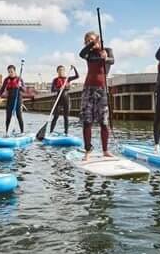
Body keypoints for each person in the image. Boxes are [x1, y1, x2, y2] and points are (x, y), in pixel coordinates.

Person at [79, 31, 114, 161]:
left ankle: (105, 150)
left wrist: (106, 58)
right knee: (87, 121)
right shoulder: (88, 53)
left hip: (102, 89)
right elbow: (81, 54)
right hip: (88, 89)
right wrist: (92, 44)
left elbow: (113, 60)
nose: (89, 42)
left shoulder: (107, 50)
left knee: (104, 122)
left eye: (91, 40)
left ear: (99, 40)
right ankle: (88, 150)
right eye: (87, 41)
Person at [49, 65, 79, 135]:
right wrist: (59, 89)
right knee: (55, 116)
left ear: (64, 71)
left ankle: (66, 133)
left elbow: (77, 76)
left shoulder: (67, 79)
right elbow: (52, 90)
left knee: (66, 117)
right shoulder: (55, 80)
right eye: (59, 70)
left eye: (62, 70)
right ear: (57, 72)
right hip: (58, 99)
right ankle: (51, 132)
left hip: (66, 98)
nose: (61, 71)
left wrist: (74, 68)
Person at [0, 65, 26, 134]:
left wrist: (20, 86)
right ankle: (8, 132)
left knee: (19, 116)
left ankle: (22, 132)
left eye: (11, 71)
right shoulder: (6, 79)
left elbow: (24, 90)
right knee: (8, 117)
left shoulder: (19, 79)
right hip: (10, 100)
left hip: (18, 99)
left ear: (15, 71)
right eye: (9, 72)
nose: (10, 73)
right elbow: (2, 89)